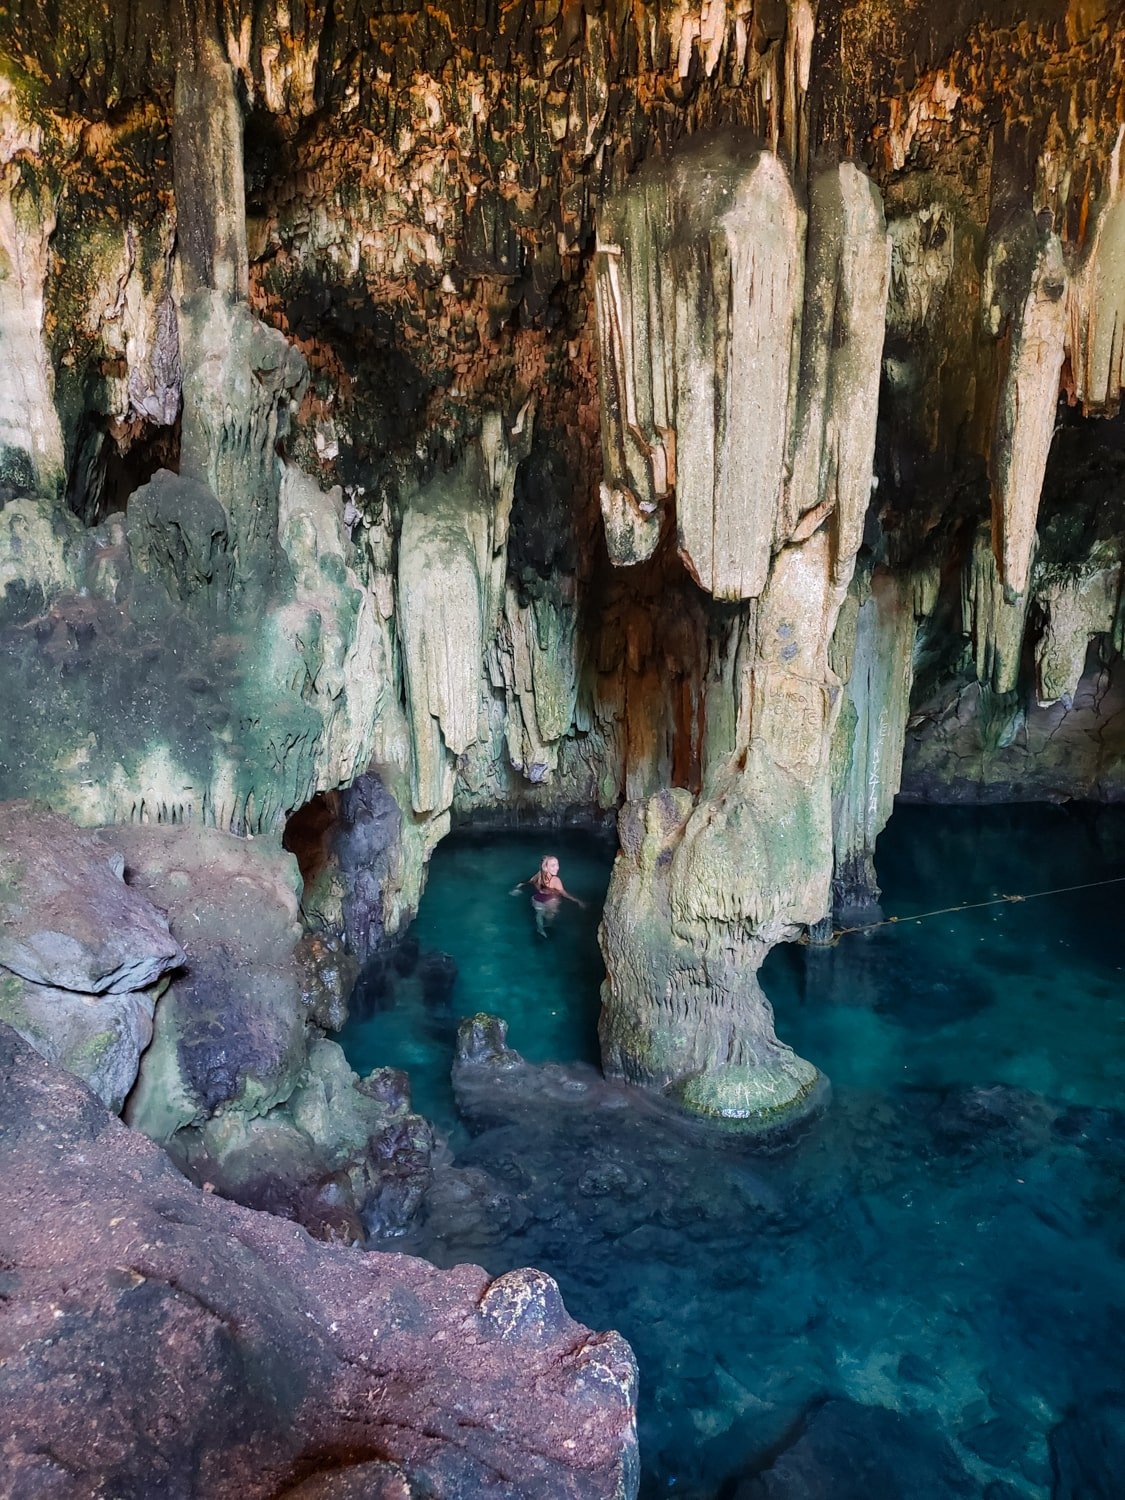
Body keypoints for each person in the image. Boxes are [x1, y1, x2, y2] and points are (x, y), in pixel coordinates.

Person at [511, 854, 587, 936]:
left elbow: (526, 882)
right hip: (550, 900)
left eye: (557, 864)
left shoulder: (539, 875)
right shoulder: (555, 880)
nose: (557, 868)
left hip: (537, 900)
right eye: (553, 866)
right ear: (545, 868)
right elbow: (565, 894)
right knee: (551, 914)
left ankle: (540, 929)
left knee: (539, 915)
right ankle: (548, 925)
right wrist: (578, 901)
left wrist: (516, 888)